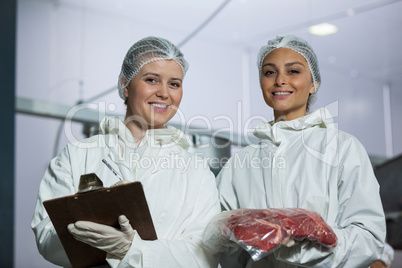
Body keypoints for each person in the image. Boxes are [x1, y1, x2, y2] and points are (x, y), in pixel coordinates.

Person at [31, 36, 221, 268]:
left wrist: (132, 249)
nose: (164, 93)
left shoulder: (197, 171)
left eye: (174, 84)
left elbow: (205, 255)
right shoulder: (78, 154)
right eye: (152, 80)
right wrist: (87, 229)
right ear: (125, 84)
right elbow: (45, 234)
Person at [214, 35, 386, 267]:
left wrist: (314, 237)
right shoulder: (239, 164)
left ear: (314, 83)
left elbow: (369, 238)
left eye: (293, 71)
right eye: (269, 72)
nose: (280, 80)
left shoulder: (342, 148)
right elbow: (223, 250)